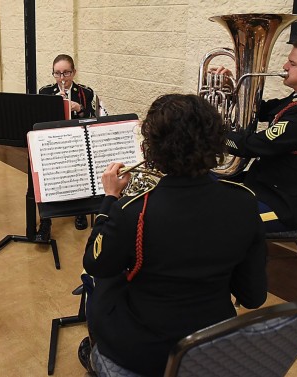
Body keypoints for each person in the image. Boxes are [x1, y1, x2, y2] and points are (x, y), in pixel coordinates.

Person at [80, 94, 267, 376]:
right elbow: (252, 296)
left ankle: (99, 358)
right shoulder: (244, 201)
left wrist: (109, 200)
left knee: (104, 283)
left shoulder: (133, 210)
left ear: (153, 149)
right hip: (212, 346)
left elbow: (96, 264)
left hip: (146, 354)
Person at [216, 36, 297, 232]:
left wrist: (212, 134)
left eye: (292, 63)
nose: (284, 66)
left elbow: (251, 146)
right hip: (261, 185)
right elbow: (261, 110)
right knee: (197, 181)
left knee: (210, 214)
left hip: (281, 204)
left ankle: (229, 259)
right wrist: (232, 89)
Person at [36, 54, 97, 239]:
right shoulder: (45, 92)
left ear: (74, 72)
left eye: (66, 73)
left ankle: (79, 210)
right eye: (57, 73)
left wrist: (78, 109)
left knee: (80, 170)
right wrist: (55, 105)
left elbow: (94, 118)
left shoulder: (85, 93)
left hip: (76, 142)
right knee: (44, 175)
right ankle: (46, 221)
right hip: (53, 143)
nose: (62, 78)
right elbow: (39, 121)